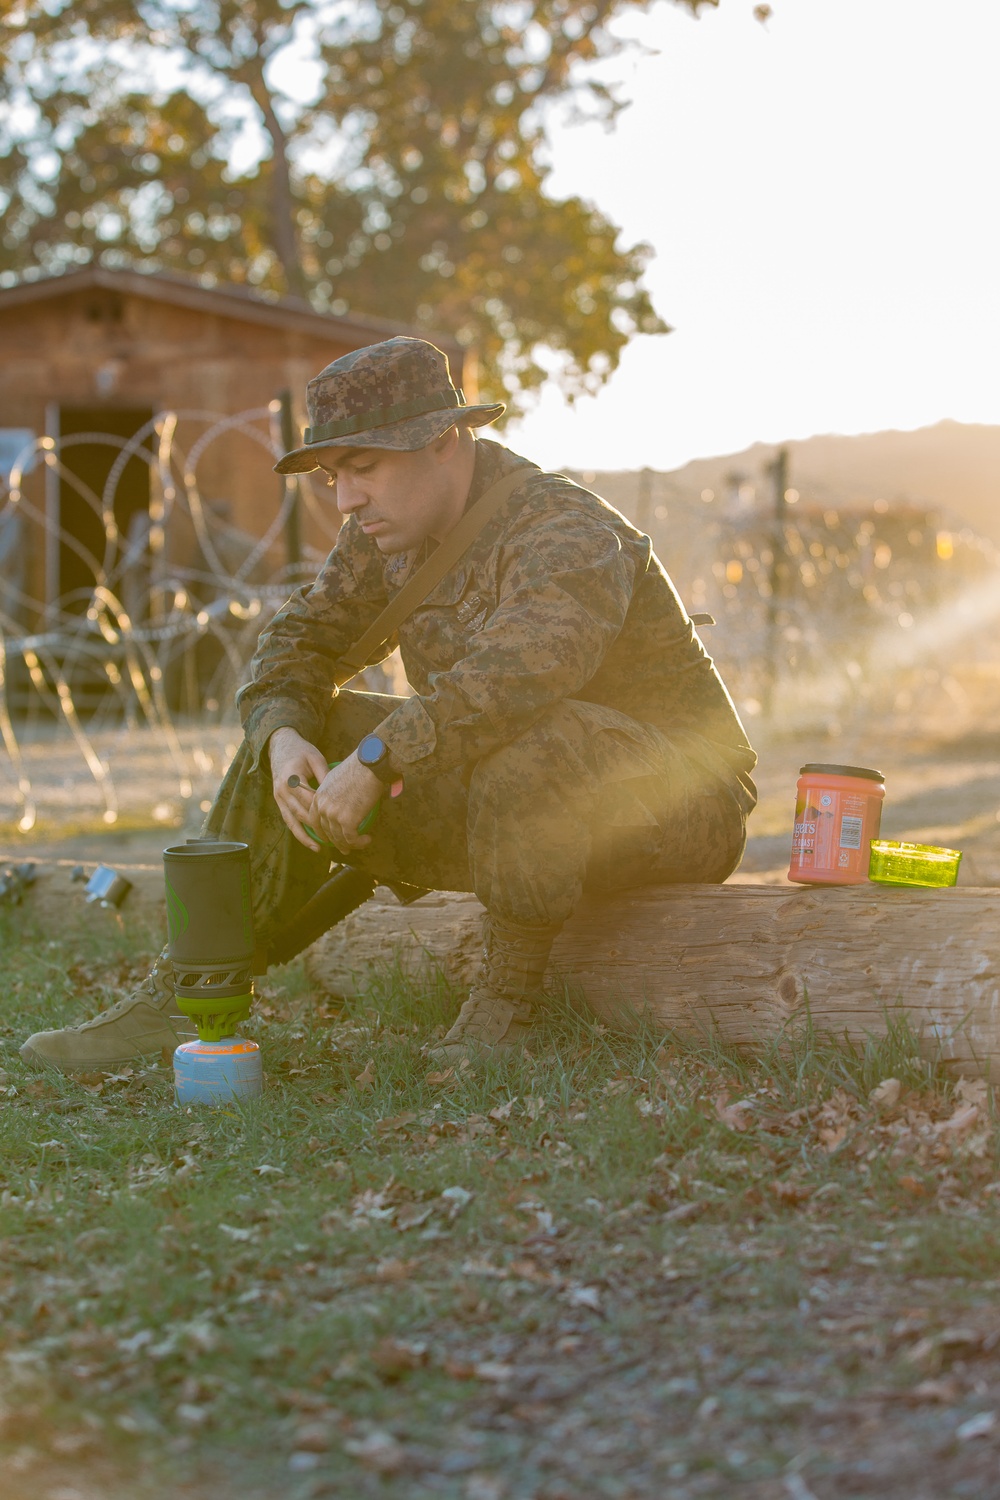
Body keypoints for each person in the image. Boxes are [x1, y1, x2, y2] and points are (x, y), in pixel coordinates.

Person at [21, 336, 757, 1072]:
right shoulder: (382, 536)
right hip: (512, 811)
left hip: (677, 806)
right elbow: (297, 642)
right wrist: (282, 738)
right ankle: (192, 987)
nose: (345, 499)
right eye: (335, 475)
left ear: (444, 441)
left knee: (531, 736)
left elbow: (519, 677)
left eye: (364, 468)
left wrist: (378, 758)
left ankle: (509, 1001)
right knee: (307, 724)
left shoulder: (564, 529)